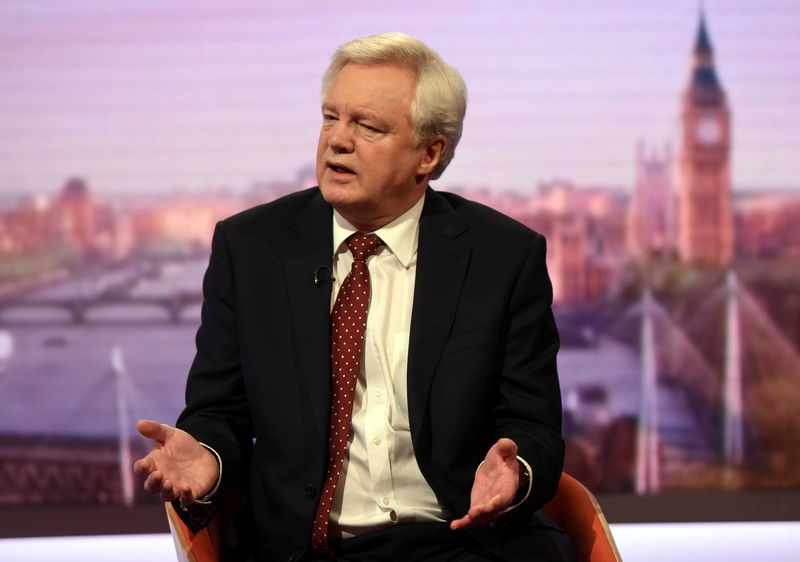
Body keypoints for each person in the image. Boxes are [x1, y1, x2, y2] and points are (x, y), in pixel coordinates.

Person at [134, 32, 572, 561]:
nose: (337, 141)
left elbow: (534, 427)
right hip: (307, 549)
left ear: (428, 153)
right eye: (329, 118)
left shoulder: (503, 257)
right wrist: (208, 457)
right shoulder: (252, 247)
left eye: (367, 126)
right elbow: (219, 411)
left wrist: (516, 474)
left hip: (460, 540)